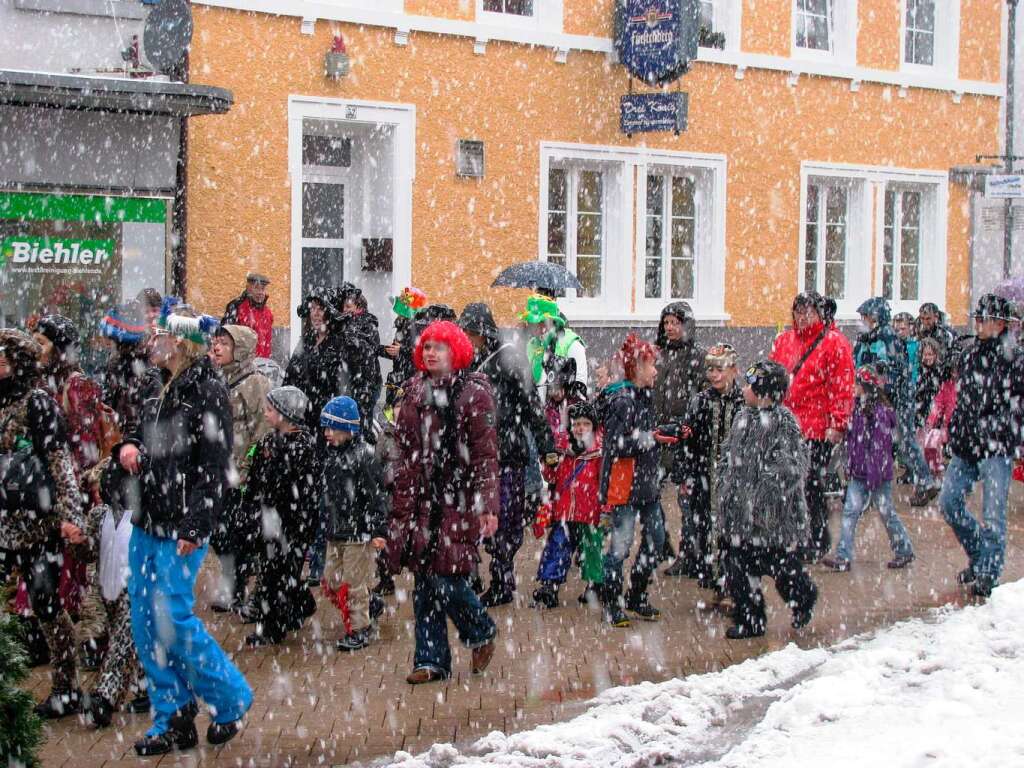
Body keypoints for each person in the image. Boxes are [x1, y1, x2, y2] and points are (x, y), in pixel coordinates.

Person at [114, 302, 251, 756]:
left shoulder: (206, 389)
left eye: (160, 335)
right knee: (145, 620)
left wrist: (197, 522)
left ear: (182, 341)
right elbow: (139, 434)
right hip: (147, 519)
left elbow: (216, 464)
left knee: (172, 617)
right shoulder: (160, 385)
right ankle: (171, 716)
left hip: (182, 524)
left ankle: (229, 700)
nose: (151, 341)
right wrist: (128, 448)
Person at [384, 320, 499, 684]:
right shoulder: (414, 391)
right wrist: (398, 496)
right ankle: (431, 660)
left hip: (458, 500)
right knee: (424, 582)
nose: (431, 353)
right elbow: (402, 449)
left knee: (448, 577)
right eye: (427, 346)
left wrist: (488, 507)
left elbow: (485, 456)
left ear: (456, 351)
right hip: (421, 499)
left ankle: (480, 630)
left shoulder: (474, 394)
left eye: (440, 347)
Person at [0, 329, 85, 719]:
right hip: (4, 520)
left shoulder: (37, 403)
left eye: (2, 357)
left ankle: (67, 687)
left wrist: (70, 517)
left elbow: (60, 464)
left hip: (37, 522)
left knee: (47, 604)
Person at [458, 302, 557, 607]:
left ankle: (502, 580)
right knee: (473, 518)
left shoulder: (509, 359)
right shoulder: (466, 360)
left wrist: (547, 448)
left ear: (483, 332)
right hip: (476, 453)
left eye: (471, 333)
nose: (467, 338)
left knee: (504, 521)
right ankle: (472, 573)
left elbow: (531, 407)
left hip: (507, 453)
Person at [718, 360, 818, 639]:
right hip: (740, 515)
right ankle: (751, 620)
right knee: (737, 569)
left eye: (750, 386)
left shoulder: (783, 423)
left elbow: (791, 467)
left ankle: (803, 598)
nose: (745, 390)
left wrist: (762, 495)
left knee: (782, 567)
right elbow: (729, 454)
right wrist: (727, 486)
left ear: (763, 393)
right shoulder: (742, 417)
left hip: (772, 520)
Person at [939, 294, 1023, 598]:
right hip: (967, 444)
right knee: (948, 502)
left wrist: (1000, 428)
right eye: (977, 318)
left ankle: (989, 571)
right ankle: (979, 556)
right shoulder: (971, 353)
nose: (978, 324)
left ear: (999, 324)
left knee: (993, 514)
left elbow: (1017, 405)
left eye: (983, 319)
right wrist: (955, 431)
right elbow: (963, 399)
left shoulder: (1014, 358)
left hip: (996, 446)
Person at [769, 291, 854, 562]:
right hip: (787, 424)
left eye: (808, 312)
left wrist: (837, 422)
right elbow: (773, 374)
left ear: (819, 314)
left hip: (816, 428)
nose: (802, 317)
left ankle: (815, 538)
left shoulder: (834, 343)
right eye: (798, 311)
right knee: (786, 483)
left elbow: (841, 386)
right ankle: (793, 535)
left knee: (810, 485)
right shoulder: (784, 340)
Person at [243, 386, 319, 647]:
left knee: (279, 576)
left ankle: (271, 628)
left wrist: (301, 523)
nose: (265, 414)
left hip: (292, 524)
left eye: (270, 410)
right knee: (272, 574)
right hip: (269, 521)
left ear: (286, 414)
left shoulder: (303, 448)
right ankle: (296, 607)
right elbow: (255, 479)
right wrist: (252, 503)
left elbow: (304, 492)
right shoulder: (267, 442)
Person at [598, 334, 664, 628]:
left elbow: (643, 437)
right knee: (620, 548)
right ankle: (612, 602)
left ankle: (637, 594)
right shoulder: (622, 401)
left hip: (647, 485)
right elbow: (616, 446)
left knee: (657, 540)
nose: (655, 372)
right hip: (625, 487)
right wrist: (651, 439)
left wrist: (663, 435)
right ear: (636, 367)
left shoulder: (643, 395)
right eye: (651, 366)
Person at [822, 365, 915, 571]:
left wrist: (872, 476)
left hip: (876, 476)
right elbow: (853, 442)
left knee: (885, 512)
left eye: (857, 384)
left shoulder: (878, 414)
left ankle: (904, 549)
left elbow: (879, 450)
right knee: (852, 511)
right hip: (860, 473)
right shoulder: (857, 410)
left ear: (865, 387)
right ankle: (843, 556)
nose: (853, 387)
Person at [666, 343, 744, 588]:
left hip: (735, 478)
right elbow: (686, 439)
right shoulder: (700, 401)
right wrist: (683, 475)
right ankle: (709, 570)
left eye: (719, 369)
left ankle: (730, 573)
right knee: (703, 524)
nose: (714, 375)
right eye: (710, 369)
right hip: (703, 476)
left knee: (732, 525)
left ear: (734, 370)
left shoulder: (744, 403)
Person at [208, 325, 272, 614]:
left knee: (239, 534)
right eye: (216, 342)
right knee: (219, 533)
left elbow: (262, 430)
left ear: (241, 349)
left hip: (241, 474)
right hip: (219, 471)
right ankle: (232, 581)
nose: (217, 348)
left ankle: (239, 587)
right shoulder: (218, 379)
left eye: (224, 344)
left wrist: (249, 466)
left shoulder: (254, 383)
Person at [855, 297, 939, 507]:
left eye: (865, 317)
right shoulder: (869, 338)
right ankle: (921, 482)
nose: (862, 320)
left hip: (894, 399)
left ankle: (921, 482)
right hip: (880, 398)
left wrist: (879, 380)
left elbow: (893, 370)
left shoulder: (886, 337)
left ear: (875, 318)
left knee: (900, 441)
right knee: (891, 442)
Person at [320, 395, 389, 651]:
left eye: (332, 428)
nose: (327, 434)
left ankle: (360, 628)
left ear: (347, 429)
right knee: (332, 580)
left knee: (353, 584)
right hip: (336, 530)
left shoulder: (363, 457)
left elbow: (377, 496)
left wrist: (379, 530)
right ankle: (370, 604)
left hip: (358, 532)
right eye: (325, 428)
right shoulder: (331, 456)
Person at [81, 460, 146, 729]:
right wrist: (77, 542)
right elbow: (87, 553)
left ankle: (105, 699)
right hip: (109, 588)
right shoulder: (98, 516)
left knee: (122, 646)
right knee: (138, 643)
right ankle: (148, 687)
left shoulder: (144, 516)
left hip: (136, 588)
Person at [531, 401, 605, 608]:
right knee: (557, 547)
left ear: (594, 426)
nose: (580, 428)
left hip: (590, 512)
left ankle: (595, 585)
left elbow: (605, 483)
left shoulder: (599, 453)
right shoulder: (563, 450)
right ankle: (549, 585)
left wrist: (607, 510)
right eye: (577, 424)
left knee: (592, 551)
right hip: (565, 511)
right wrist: (549, 463)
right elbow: (552, 477)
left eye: (586, 424)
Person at [98, 301, 162, 436]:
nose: (106, 343)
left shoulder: (125, 368)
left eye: (110, 339)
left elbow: (131, 419)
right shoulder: (144, 364)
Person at [332, 283, 383, 439]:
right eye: (344, 306)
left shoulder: (368, 323)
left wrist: (352, 336)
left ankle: (362, 447)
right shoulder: (340, 323)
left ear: (358, 306)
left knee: (362, 419)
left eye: (349, 306)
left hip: (366, 380)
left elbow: (370, 349)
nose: (346, 309)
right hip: (347, 378)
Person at [521, 294, 588, 396]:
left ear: (547, 322)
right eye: (529, 322)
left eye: (532, 322)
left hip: (561, 409)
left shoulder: (572, 344)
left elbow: (580, 388)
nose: (529, 326)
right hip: (536, 408)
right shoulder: (531, 344)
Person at [380, 287, 427, 408]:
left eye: (402, 302)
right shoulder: (402, 324)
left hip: (409, 381)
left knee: (403, 415)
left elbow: (421, 352)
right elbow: (395, 350)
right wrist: (377, 349)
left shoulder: (417, 327)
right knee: (393, 415)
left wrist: (401, 350)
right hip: (398, 379)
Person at [222, 272, 274, 359]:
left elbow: (267, 344)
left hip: (260, 365)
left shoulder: (268, 314)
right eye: (256, 288)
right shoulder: (236, 307)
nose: (260, 292)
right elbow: (226, 338)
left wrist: (265, 363)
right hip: (240, 364)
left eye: (263, 289)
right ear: (248, 288)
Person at [892, 311, 920, 388]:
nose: (900, 332)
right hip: (896, 386)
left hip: (911, 387)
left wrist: (913, 385)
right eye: (897, 330)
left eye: (903, 329)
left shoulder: (917, 345)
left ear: (911, 328)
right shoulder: (892, 345)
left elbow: (916, 368)